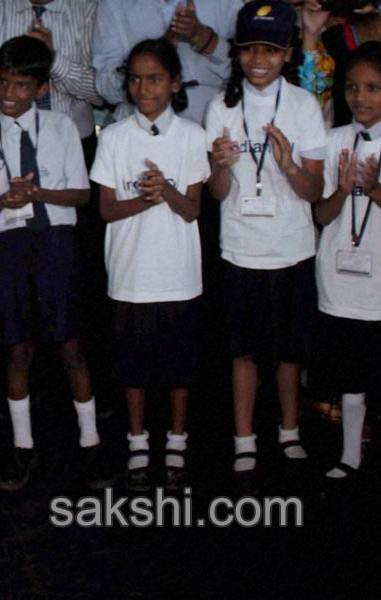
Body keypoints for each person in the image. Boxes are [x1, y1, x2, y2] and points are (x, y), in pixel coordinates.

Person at [0, 36, 105, 491]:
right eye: (3, 83)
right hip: (8, 245)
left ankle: (90, 441)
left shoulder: (63, 127)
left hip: (56, 241)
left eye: (21, 86)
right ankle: (22, 445)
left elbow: (83, 195)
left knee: (70, 345)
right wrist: (4, 200)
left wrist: (37, 193)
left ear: (40, 88)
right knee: (18, 347)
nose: (9, 94)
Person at [205, 0, 327, 492]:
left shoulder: (302, 106)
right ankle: (243, 439)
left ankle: (290, 430)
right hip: (240, 246)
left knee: (289, 351)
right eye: (251, 49)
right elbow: (216, 193)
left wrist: (288, 162)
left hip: (292, 246)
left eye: (272, 50)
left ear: (289, 52)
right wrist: (218, 165)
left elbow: (314, 192)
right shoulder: (221, 107)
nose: (260, 60)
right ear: (236, 51)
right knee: (244, 352)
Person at [91, 38, 209, 492]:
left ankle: (176, 440)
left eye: (155, 78)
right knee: (134, 368)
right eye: (136, 79)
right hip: (130, 275)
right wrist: (146, 198)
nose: (145, 88)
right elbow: (105, 209)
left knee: (179, 366)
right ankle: (138, 439)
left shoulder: (193, 136)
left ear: (174, 83)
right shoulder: (116, 137)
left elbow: (192, 209)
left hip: (179, 275)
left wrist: (168, 192)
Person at [314, 41, 381, 485]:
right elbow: (320, 216)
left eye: (373, 88)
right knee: (351, 372)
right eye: (353, 87)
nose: (360, 97)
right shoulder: (335, 139)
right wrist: (341, 190)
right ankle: (350, 454)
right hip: (340, 279)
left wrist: (373, 188)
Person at [0, 0, 100, 154]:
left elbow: (101, 92)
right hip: (3, 145)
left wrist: (53, 61)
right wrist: (21, 88)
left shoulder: (88, 11)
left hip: (75, 143)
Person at [92, 0, 242, 125]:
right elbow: (106, 88)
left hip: (213, 129)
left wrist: (204, 38)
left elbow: (250, 68)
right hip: (138, 131)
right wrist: (159, 52)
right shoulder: (113, 5)